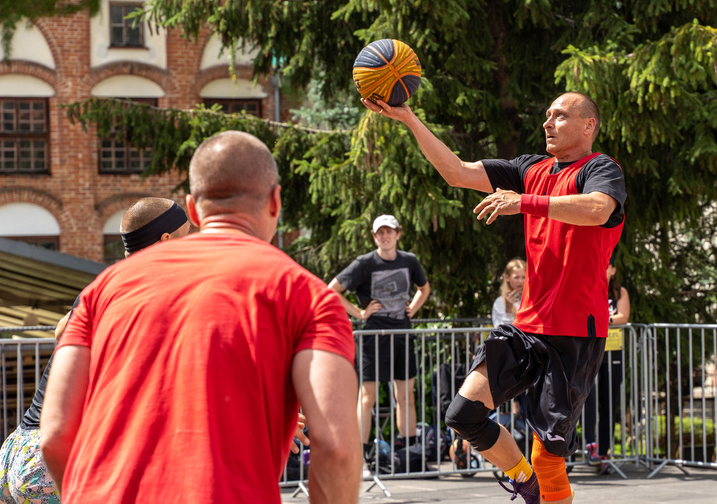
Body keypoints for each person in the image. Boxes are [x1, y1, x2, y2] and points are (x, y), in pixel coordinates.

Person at [40, 131, 362, 504]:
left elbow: (56, 435)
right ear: (275, 202)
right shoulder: (308, 295)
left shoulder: (102, 289)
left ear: (193, 209)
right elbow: (336, 448)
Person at [363, 92, 625, 504]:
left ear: (588, 125)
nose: (548, 122)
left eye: (560, 115)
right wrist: (408, 118)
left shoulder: (601, 169)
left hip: (576, 330)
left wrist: (523, 202)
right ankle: (525, 481)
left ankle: (542, 480)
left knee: (550, 455)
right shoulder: (530, 167)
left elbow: (596, 209)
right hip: (527, 326)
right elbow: (455, 172)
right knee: (462, 414)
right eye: (546, 114)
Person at [0, 197, 189, 504]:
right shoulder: (144, 293)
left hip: (17, 449)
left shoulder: (102, 287)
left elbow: (63, 330)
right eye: (188, 236)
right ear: (166, 241)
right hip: (52, 462)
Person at [328, 214, 431, 468]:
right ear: (374, 237)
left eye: (389, 231)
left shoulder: (409, 260)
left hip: (402, 334)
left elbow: (424, 288)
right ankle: (359, 457)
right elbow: (332, 290)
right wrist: (360, 313)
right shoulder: (364, 263)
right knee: (367, 396)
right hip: (373, 337)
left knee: (405, 394)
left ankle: (409, 456)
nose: (385, 236)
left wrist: (413, 309)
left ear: (398, 234)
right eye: (380, 233)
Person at [582, 254, 631, 472]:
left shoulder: (619, 292)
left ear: (613, 270)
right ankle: (589, 445)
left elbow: (623, 316)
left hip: (612, 354)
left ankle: (604, 451)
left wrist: (604, 319)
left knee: (608, 403)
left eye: (606, 267)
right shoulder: (588, 287)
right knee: (588, 400)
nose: (603, 271)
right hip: (590, 353)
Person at [492, 258, 526, 328]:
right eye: (516, 277)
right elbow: (501, 330)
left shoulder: (531, 299)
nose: (520, 281)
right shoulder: (500, 302)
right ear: (507, 278)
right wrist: (508, 311)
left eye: (523, 277)